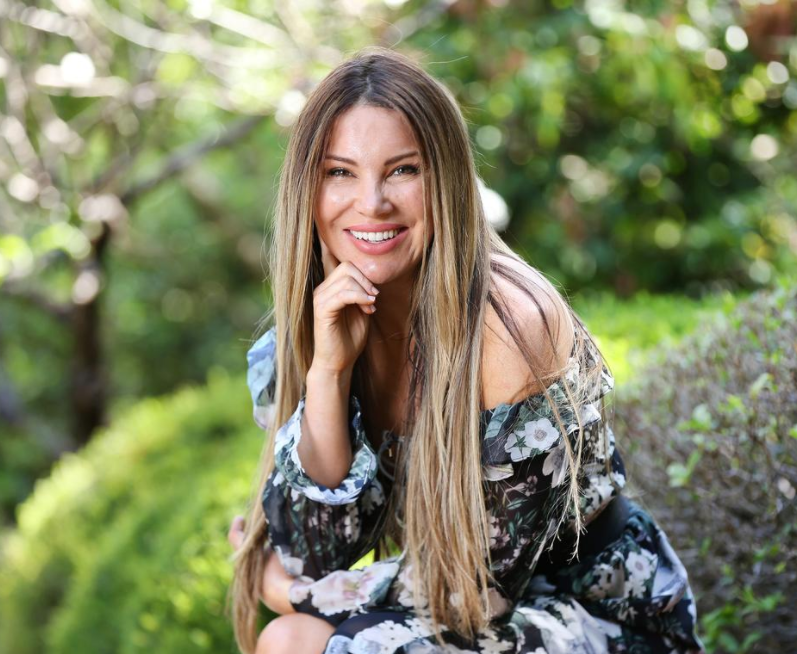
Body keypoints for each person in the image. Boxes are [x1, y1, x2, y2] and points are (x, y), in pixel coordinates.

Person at [227, 46, 706, 654]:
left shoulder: (510, 326)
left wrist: (291, 593)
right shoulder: (328, 316)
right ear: (308, 189)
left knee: (321, 639)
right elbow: (314, 550)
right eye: (340, 172)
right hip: (471, 617)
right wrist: (329, 372)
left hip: (596, 616)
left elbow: (477, 593)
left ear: (447, 179)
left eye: (403, 170)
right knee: (291, 641)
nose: (371, 203)